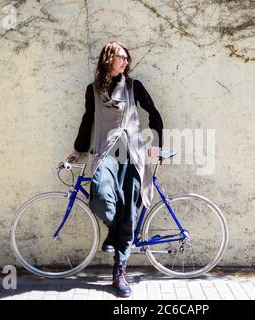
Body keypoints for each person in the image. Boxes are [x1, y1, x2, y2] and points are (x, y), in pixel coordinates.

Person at [67, 41, 163, 297]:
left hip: (132, 153)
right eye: (121, 57)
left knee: (129, 209)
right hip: (106, 153)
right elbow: (88, 119)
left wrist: (157, 144)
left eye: (127, 58)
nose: (126, 62)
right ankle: (114, 230)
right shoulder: (93, 90)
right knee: (99, 193)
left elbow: (154, 113)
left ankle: (120, 269)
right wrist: (79, 149)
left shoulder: (134, 86)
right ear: (108, 58)